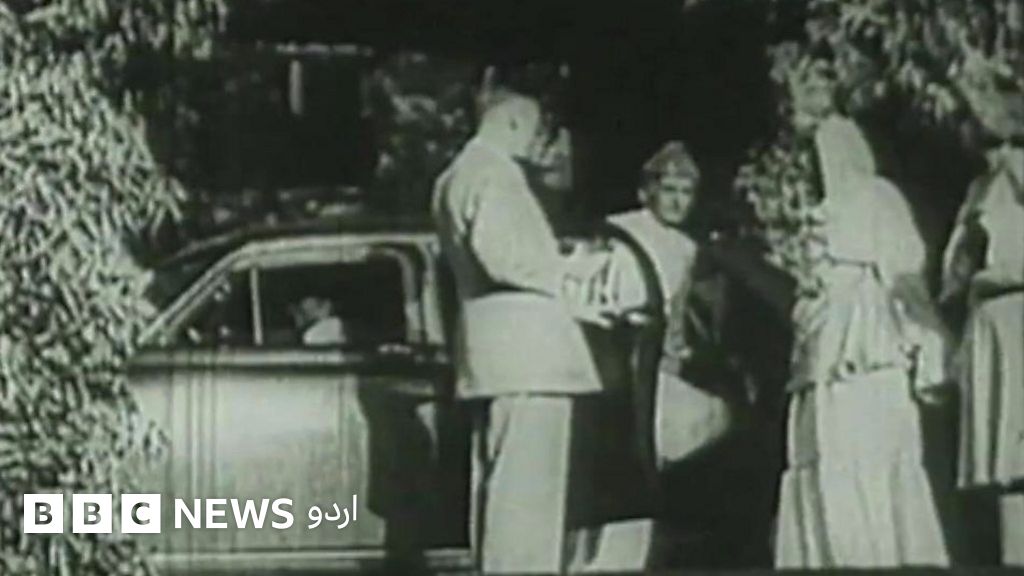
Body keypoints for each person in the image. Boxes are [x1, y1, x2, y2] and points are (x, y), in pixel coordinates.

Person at [430, 65, 607, 574]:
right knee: (527, 501)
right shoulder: (493, 174)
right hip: (529, 359)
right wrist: (573, 267)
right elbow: (506, 257)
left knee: (501, 492)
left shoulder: (454, 176)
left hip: (496, 355)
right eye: (532, 127)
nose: (536, 140)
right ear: (510, 120)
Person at [774, 115, 953, 569]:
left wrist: (923, 343)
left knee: (869, 441)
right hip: (823, 337)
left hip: (865, 333)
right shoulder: (813, 215)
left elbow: (905, 273)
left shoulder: (877, 198)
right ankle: (830, 554)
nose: (813, 167)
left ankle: (879, 552)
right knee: (826, 438)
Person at [941, 62, 1024, 567]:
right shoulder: (980, 188)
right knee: (1005, 465)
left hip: (1018, 313)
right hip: (991, 322)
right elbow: (954, 270)